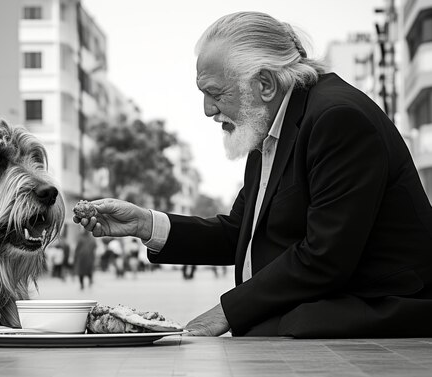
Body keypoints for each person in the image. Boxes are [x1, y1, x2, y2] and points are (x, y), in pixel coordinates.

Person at [74, 11, 432, 338]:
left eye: (215, 93)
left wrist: (224, 313)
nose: (207, 109)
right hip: (324, 308)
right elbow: (239, 234)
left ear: (265, 84)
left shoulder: (337, 119)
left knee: (274, 325)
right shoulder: (269, 127)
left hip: (382, 309)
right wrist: (145, 225)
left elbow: (325, 257)